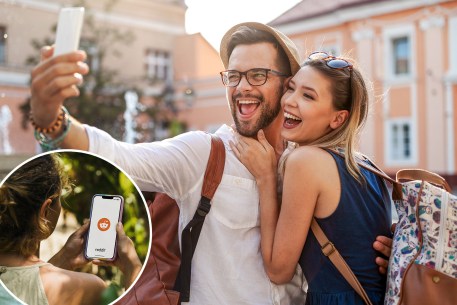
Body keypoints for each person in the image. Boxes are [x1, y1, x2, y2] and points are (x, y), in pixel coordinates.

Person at [28, 22, 392, 304]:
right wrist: (52, 119)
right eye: (233, 76)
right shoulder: (204, 153)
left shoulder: (308, 163)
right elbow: (117, 154)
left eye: (258, 75)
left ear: (288, 85)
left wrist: (383, 254)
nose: (242, 87)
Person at [230, 52, 392, 305]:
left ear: (338, 118)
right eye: (291, 88)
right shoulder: (368, 166)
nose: (289, 102)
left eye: (308, 96)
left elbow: (278, 270)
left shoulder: (305, 161)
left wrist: (266, 178)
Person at [0, 153, 142, 305]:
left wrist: (63, 259)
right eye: (60, 198)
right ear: (45, 211)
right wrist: (132, 267)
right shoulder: (89, 288)